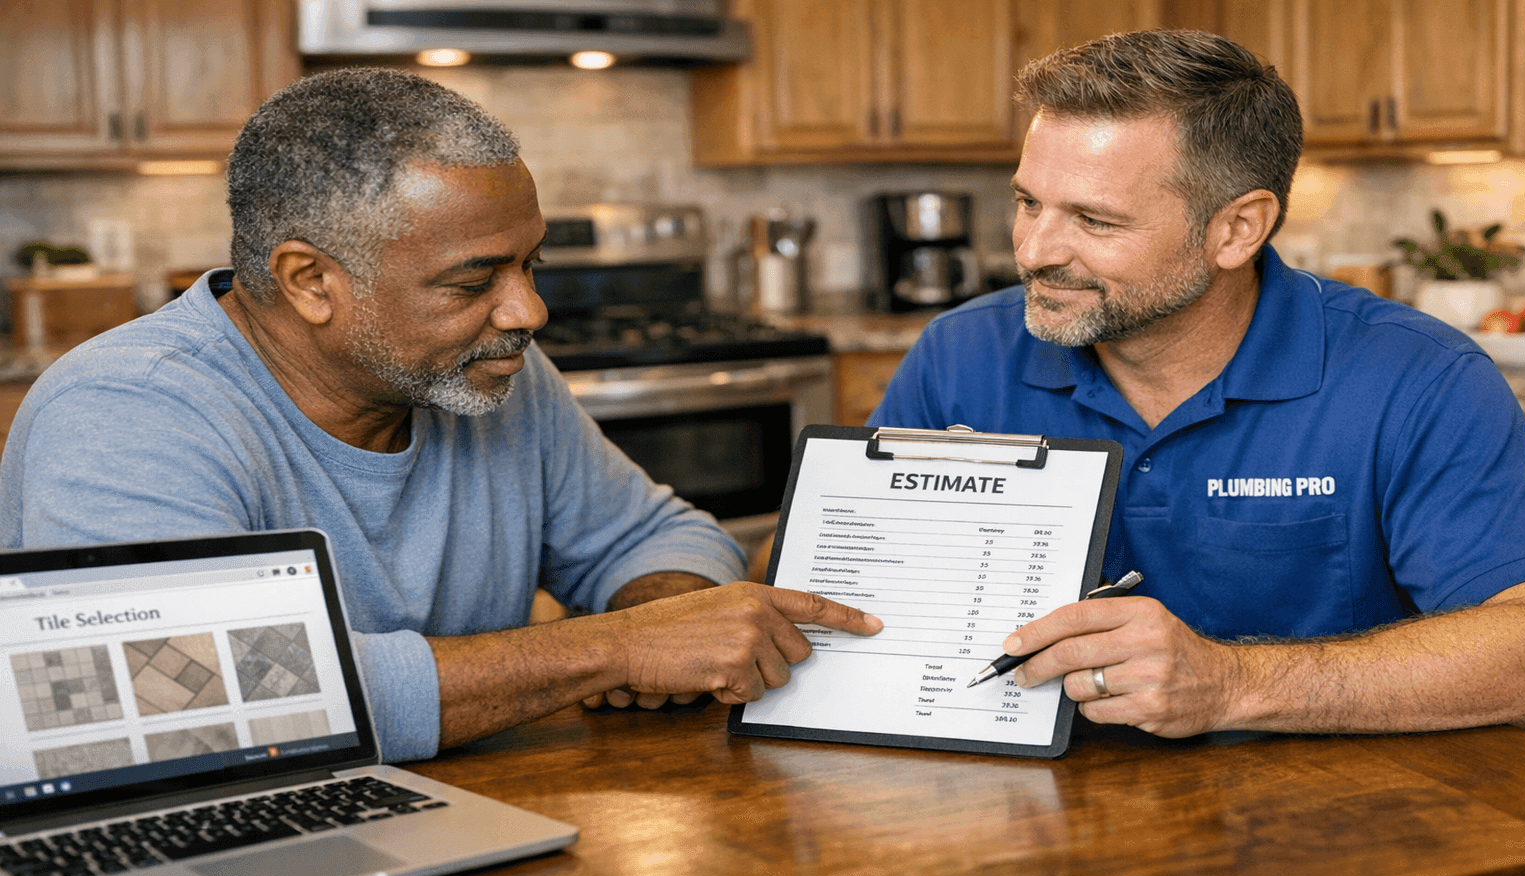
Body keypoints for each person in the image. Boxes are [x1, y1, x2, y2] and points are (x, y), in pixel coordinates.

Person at [0, 68, 880, 762]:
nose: (527, 312)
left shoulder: (489, 377)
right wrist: (610, 650)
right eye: (475, 280)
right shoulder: (125, 411)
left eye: (531, 266)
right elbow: (186, 701)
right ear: (311, 281)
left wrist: (671, 612)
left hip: (476, 802)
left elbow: (646, 536)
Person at [870, 30, 1525, 737]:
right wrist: (763, 604)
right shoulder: (960, 352)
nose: (1032, 251)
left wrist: (1234, 685)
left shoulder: (1418, 378)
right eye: (1028, 201)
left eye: (1094, 220)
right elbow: (846, 572)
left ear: (1238, 230)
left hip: (1335, 826)